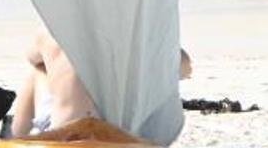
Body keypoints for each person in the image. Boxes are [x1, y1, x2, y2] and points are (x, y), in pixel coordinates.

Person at [10, 29, 193, 139]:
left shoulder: (54, 31)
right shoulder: (140, 36)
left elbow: (32, 57)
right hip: (137, 136)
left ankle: (16, 134)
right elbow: (186, 69)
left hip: (69, 138)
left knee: (39, 70)